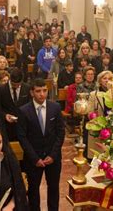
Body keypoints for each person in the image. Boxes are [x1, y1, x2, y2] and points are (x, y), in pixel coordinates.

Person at [17, 79, 65, 211]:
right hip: (33, 158)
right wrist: (35, 158)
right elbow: (22, 137)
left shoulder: (55, 107)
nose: (42, 94)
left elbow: (61, 132)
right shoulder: (23, 111)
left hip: (53, 158)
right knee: (33, 190)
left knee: (54, 188)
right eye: (38, 91)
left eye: (44, 90)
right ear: (32, 92)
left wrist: (53, 155)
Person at [0, 68, 31, 141]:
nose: (15, 86)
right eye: (13, 84)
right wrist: (5, 115)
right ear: (10, 79)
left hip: (23, 126)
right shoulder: (1, 89)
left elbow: (30, 106)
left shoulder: (27, 88)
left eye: (18, 85)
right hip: (7, 127)